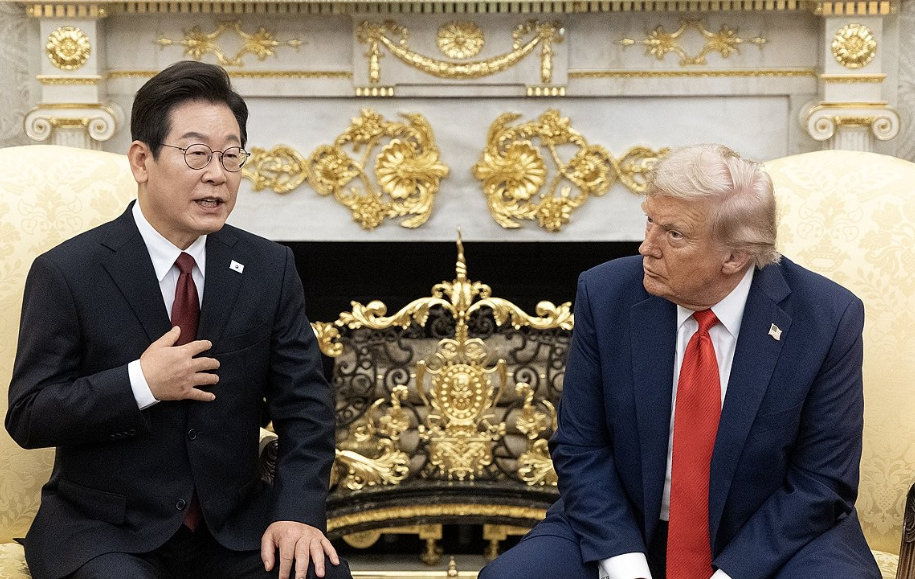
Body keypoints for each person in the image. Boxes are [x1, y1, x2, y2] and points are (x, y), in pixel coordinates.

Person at [5, 61, 351, 579]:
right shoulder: (69, 272)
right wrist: (140, 383)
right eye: (196, 154)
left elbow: (306, 408)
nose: (217, 174)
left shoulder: (269, 268)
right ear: (141, 160)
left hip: (232, 529)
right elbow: (30, 415)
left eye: (231, 156)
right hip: (106, 530)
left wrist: (296, 513)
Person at [479, 144, 880, 579]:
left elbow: (822, 481)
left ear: (734, 257)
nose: (645, 247)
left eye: (674, 234)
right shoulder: (606, 294)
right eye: (650, 221)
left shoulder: (825, 318)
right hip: (626, 526)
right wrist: (625, 563)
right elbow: (581, 446)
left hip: (772, 537)